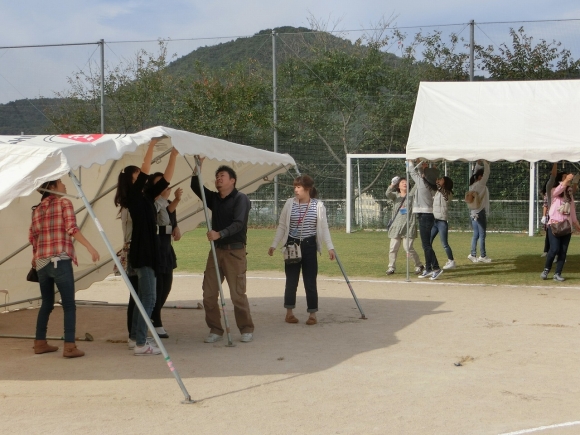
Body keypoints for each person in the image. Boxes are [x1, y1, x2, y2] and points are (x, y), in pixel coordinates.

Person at [29, 178, 100, 358]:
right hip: (60, 259)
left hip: (42, 262)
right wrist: (90, 247)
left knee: (46, 303)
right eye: (60, 182)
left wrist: (35, 257)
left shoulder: (37, 209)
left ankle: (40, 342)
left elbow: (33, 237)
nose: (65, 185)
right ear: (52, 187)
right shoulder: (63, 202)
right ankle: (69, 346)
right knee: (69, 305)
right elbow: (71, 228)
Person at [190, 162, 255, 343]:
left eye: (222, 176)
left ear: (232, 180)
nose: (218, 179)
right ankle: (215, 329)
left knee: (237, 295)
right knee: (209, 294)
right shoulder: (214, 199)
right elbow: (195, 186)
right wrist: (198, 166)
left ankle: (246, 328)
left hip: (235, 252)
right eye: (217, 176)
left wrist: (220, 234)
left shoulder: (241, 199)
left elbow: (239, 223)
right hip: (216, 252)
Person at [126, 140, 179, 355]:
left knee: (145, 297)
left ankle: (134, 339)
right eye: (138, 174)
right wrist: (151, 146)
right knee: (148, 298)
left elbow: (166, 179)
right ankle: (141, 343)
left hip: (148, 253)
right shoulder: (133, 196)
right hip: (143, 254)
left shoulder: (147, 197)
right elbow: (146, 169)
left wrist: (174, 155)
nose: (143, 175)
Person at [268, 175, 335, 325]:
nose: (296, 190)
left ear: (308, 189)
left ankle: (312, 314)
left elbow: (324, 228)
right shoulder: (289, 203)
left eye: (299, 187)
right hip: (291, 245)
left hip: (309, 245)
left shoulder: (318, 205)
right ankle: (289, 313)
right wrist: (274, 244)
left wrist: (330, 247)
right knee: (291, 280)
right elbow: (282, 226)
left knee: (310, 281)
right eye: (295, 187)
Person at [150, 173, 183, 338]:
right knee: (158, 287)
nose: (165, 187)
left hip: (166, 248)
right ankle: (156, 322)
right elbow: (160, 223)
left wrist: (176, 228)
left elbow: (171, 218)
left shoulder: (168, 203)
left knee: (167, 285)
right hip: (156, 248)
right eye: (160, 184)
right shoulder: (152, 204)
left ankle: (153, 316)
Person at [113, 165, 140, 338]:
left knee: (137, 294)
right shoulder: (130, 205)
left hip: (131, 250)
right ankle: (134, 334)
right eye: (138, 175)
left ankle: (135, 333)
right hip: (133, 251)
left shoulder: (127, 204)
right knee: (137, 295)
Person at [541, 172, 580, 281]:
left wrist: (577, 225)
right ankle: (546, 269)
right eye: (564, 177)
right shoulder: (554, 191)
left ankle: (557, 273)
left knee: (563, 252)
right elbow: (559, 190)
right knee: (554, 249)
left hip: (566, 226)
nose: (568, 179)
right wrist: (566, 180)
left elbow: (572, 211)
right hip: (554, 224)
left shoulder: (570, 195)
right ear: (560, 180)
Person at [409, 160, 443, 280]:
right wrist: (422, 167)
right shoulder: (431, 185)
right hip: (427, 215)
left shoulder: (423, 185)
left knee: (426, 245)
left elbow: (412, 173)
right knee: (426, 244)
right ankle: (428, 268)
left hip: (424, 215)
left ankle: (436, 268)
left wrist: (410, 162)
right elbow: (420, 175)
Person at [384, 176, 423, 275]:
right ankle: (391, 267)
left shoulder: (411, 194)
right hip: (396, 227)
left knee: (408, 248)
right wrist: (392, 184)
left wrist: (420, 173)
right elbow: (387, 193)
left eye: (406, 182)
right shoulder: (395, 196)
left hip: (409, 225)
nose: (404, 183)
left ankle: (419, 265)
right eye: (402, 182)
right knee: (393, 248)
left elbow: (418, 183)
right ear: (398, 185)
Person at [467, 160, 491, 263]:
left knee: (475, 235)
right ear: (480, 177)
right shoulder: (481, 184)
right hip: (480, 212)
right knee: (482, 235)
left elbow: (475, 173)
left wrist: (478, 164)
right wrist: (486, 163)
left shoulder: (472, 185)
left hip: (473, 212)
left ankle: (473, 254)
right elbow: (487, 172)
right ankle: (483, 256)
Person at [430, 175, 455, 270]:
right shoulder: (438, 192)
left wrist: (437, 183)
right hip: (435, 220)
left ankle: (451, 261)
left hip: (442, 222)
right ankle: (431, 261)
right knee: (428, 242)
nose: (439, 181)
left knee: (444, 243)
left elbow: (442, 191)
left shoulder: (447, 193)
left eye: (441, 180)